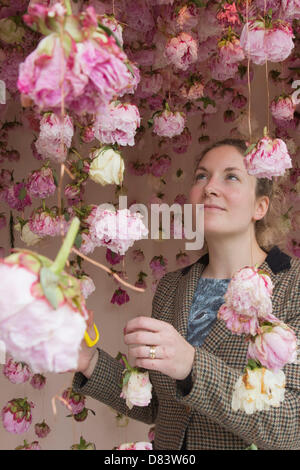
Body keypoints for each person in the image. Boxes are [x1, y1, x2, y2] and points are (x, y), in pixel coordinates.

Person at [72, 138, 300, 450]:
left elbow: (292, 426)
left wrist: (192, 365)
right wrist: (88, 361)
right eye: (201, 176)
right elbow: (160, 406)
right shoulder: (171, 288)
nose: (209, 188)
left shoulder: (293, 286)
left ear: (260, 206)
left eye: (231, 176)